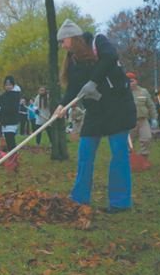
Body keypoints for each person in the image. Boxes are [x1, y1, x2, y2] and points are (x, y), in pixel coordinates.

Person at [53, 19, 136, 214]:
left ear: (71, 38)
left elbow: (110, 58)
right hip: (95, 112)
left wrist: (93, 82)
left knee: (118, 154)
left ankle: (120, 202)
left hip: (117, 106)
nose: (62, 46)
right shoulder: (72, 61)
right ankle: (79, 199)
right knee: (85, 153)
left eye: (62, 41)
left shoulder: (98, 42)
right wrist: (61, 105)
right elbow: (73, 88)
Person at [127, 73, 155, 158]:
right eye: (128, 81)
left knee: (147, 138)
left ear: (136, 81)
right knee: (129, 142)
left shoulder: (143, 92)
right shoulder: (122, 92)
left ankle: (144, 157)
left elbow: (150, 106)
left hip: (143, 120)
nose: (130, 83)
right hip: (129, 121)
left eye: (132, 81)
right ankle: (129, 159)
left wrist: (154, 118)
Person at [0, 76, 20, 151]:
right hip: (5, 120)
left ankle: (13, 156)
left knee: (10, 139)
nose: (8, 87)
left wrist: (1, 109)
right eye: (6, 85)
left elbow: (13, 108)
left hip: (12, 120)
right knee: (7, 139)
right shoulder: (4, 95)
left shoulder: (15, 95)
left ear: (13, 85)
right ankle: (10, 155)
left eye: (10, 84)